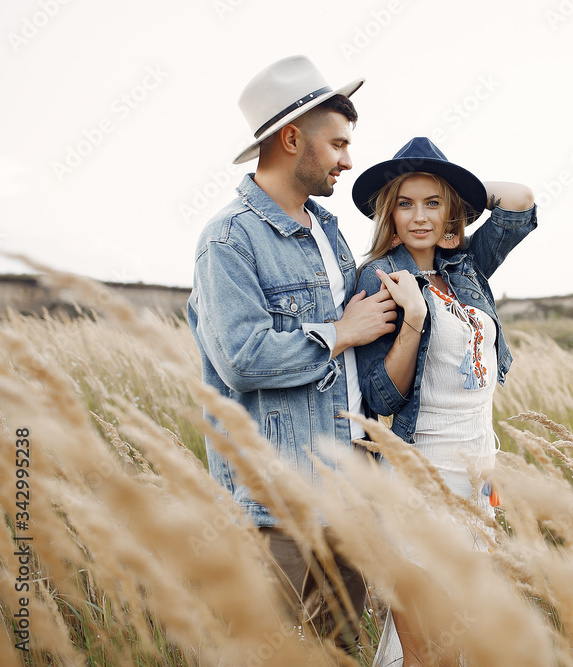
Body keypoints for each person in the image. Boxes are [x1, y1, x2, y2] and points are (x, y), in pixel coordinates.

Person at [186, 55, 398, 650]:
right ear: (290, 138)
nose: (348, 160)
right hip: (275, 494)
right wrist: (340, 332)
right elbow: (243, 358)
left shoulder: (327, 229)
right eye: (337, 144)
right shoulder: (227, 240)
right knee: (263, 651)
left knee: (338, 648)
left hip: (351, 482)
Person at [352, 137, 536, 665]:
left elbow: (519, 201)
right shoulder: (379, 276)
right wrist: (412, 320)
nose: (419, 217)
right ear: (389, 212)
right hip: (421, 467)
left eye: (433, 203)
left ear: (452, 210)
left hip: (477, 464)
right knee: (424, 648)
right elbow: (382, 394)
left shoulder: (466, 266)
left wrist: (457, 185)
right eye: (405, 203)